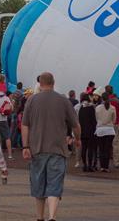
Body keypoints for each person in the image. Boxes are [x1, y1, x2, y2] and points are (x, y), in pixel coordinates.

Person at [21, 72, 81, 221]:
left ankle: (39, 217)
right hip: (58, 150)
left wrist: (25, 146)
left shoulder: (31, 100)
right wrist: (77, 139)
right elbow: (75, 125)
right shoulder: (63, 100)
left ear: (40, 84)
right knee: (54, 185)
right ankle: (52, 216)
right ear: (53, 83)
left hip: (37, 149)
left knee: (38, 185)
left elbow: (25, 125)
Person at [94, 93, 116, 172]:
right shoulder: (112, 108)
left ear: (101, 98)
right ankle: (106, 167)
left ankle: (102, 166)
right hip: (109, 130)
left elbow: (96, 119)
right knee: (107, 149)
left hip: (100, 130)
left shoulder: (98, 108)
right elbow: (114, 120)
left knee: (101, 149)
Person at [77, 93, 97, 172]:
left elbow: (79, 120)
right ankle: (90, 165)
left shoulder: (81, 108)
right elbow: (94, 121)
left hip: (83, 131)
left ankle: (84, 165)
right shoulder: (91, 108)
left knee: (84, 149)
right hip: (90, 131)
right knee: (90, 149)